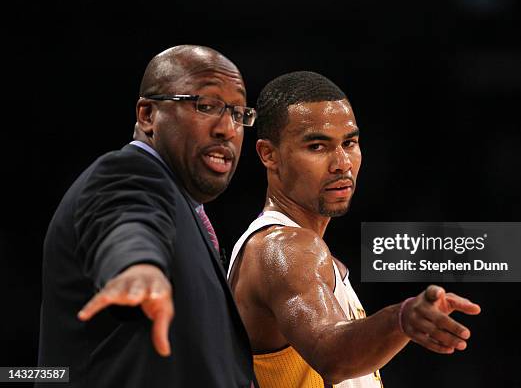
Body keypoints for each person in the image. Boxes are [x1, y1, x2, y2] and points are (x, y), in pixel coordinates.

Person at [228, 71, 481, 387]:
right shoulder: (284, 248)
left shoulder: (308, 253)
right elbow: (330, 353)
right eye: (317, 146)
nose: (341, 163)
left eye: (350, 143)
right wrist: (399, 319)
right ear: (269, 154)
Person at [38, 45, 257, 387]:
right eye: (206, 106)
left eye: (238, 112)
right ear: (147, 115)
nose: (227, 129)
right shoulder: (127, 172)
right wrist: (137, 268)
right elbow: (127, 220)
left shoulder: (184, 207)